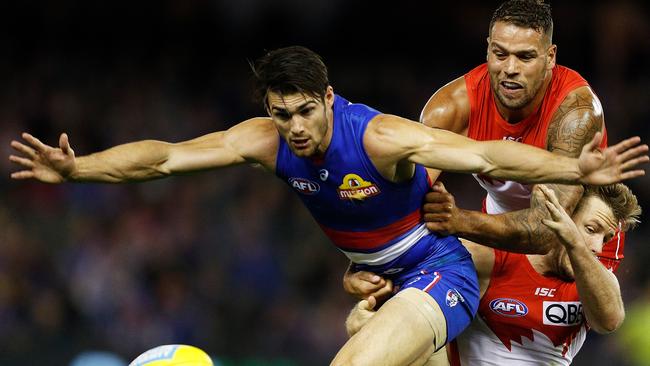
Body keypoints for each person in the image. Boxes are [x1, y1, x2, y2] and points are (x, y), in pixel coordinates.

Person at [9, 46, 646, 366]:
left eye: (307, 111)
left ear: (330, 98)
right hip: (383, 285)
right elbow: (165, 158)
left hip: (441, 275)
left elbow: (484, 158)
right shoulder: (264, 142)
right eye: (282, 115)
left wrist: (573, 167)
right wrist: (78, 169)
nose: (297, 129)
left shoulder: (378, 137)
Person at [343, 0, 639, 327]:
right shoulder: (450, 109)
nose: (510, 68)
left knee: (601, 324)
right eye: (500, 54)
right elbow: (402, 202)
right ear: (487, 50)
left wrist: (458, 221)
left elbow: (546, 229)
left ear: (550, 57)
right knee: (385, 314)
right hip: (499, 225)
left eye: (525, 56)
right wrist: (365, 264)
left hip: (576, 233)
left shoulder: (576, 113)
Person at [344, 182, 642, 365]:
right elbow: (397, 262)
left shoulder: (592, 279)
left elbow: (610, 320)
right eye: (590, 229)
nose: (595, 246)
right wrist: (356, 279)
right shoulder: (486, 258)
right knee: (376, 328)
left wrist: (575, 242)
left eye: (605, 237)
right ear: (559, 214)